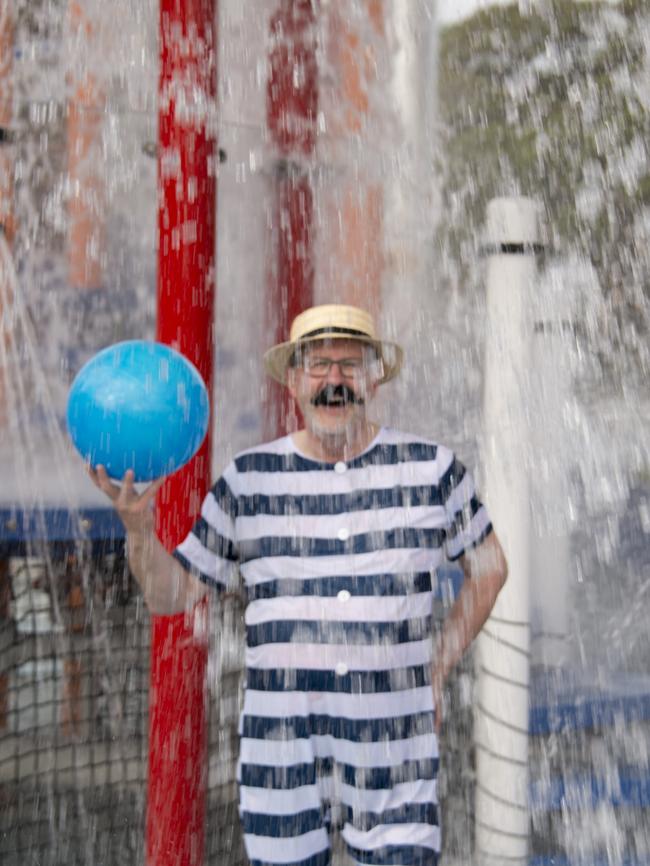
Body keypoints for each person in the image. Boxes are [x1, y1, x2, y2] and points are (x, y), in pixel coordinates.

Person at [89, 303, 507, 866]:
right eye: (317, 364)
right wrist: (139, 533)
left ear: (375, 376)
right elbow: (172, 595)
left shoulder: (433, 470)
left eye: (350, 364)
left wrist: (437, 667)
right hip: (279, 751)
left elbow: (489, 568)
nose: (334, 380)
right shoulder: (248, 480)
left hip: (395, 748)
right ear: (293, 381)